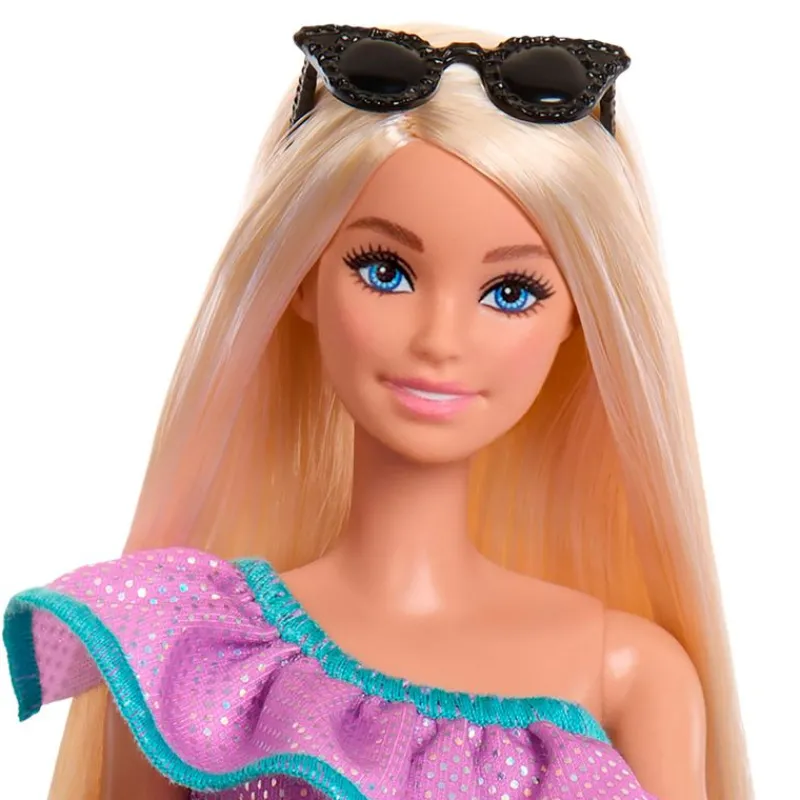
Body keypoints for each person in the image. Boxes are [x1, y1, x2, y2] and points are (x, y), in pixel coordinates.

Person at [2, 22, 752, 800]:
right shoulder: (192, 654)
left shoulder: (630, 676)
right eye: (385, 271)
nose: (439, 340)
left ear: (577, 319)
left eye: (511, 292)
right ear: (301, 276)